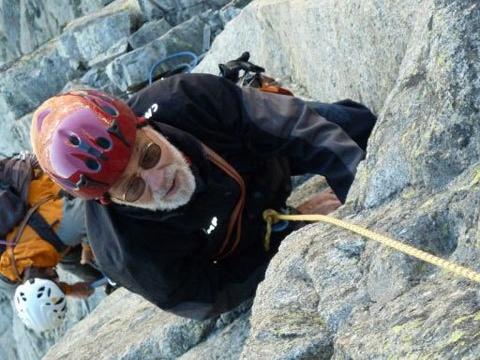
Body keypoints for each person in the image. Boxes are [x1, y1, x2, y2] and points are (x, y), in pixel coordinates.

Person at [30, 72, 376, 320]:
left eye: (149, 155)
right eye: (133, 188)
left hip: (264, 161)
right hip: (247, 241)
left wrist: (366, 201)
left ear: (144, 125)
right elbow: (205, 296)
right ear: (109, 200)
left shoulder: (186, 99)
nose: (158, 180)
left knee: (356, 126)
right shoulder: (126, 253)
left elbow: (298, 127)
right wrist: (284, 239)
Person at [0, 153, 102, 332]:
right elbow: (39, 289)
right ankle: (108, 279)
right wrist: (70, 289)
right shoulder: (8, 277)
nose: (57, 277)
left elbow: (95, 209)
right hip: (44, 237)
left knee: (103, 248)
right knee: (76, 265)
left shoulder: (64, 228)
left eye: (56, 280)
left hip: (47, 185)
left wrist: (88, 246)